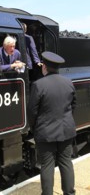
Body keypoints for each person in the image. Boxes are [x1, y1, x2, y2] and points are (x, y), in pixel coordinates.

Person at [28, 51, 76, 195]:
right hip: (66, 130)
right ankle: (69, 193)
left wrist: (34, 128)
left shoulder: (38, 85)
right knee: (66, 162)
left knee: (47, 165)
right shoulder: (69, 82)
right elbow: (73, 106)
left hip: (45, 132)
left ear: (44, 67)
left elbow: (32, 112)